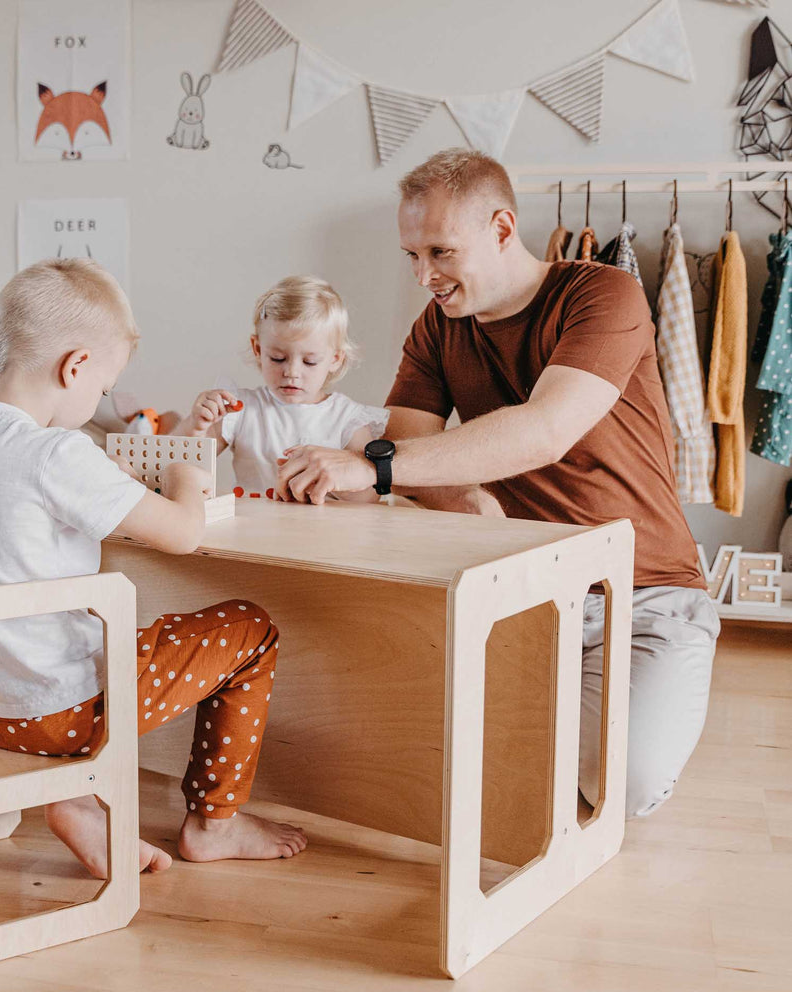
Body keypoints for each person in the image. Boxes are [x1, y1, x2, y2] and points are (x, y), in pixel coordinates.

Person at [276, 149, 720, 819]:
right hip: (521, 586)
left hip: (644, 593)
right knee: (380, 727)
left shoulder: (603, 293)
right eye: (412, 255)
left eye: (441, 252)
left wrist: (376, 465)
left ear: (503, 229)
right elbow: (413, 454)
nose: (424, 275)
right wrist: (467, 500)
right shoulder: (437, 327)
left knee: (620, 784)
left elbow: (545, 430)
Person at [0, 258, 307, 875]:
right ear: (75, 367)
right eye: (102, 389)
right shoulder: (54, 452)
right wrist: (185, 478)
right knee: (250, 629)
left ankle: (74, 801)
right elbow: (182, 532)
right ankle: (214, 823)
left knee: (63, 641)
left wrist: (105, 479)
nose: (98, 401)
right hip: (58, 715)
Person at [175, 275, 388, 501]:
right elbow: (177, 467)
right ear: (258, 349)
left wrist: (326, 477)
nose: (292, 372)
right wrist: (195, 425)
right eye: (278, 358)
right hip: (251, 522)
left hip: (324, 524)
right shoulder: (240, 409)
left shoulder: (348, 419)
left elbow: (368, 498)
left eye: (309, 362)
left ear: (335, 358)